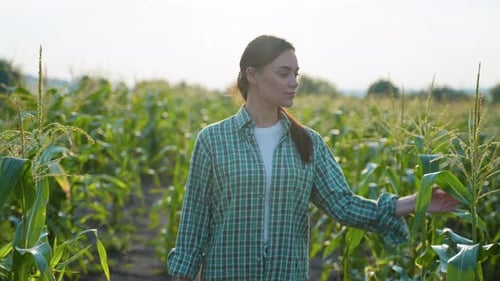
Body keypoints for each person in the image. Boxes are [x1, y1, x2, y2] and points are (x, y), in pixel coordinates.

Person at [167, 35, 459, 281]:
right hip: (227, 272)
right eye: (284, 73)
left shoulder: (308, 142)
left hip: (287, 273)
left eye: (296, 73)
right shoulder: (213, 140)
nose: (294, 82)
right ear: (252, 75)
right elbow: (194, 221)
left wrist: (415, 202)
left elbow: (343, 205)